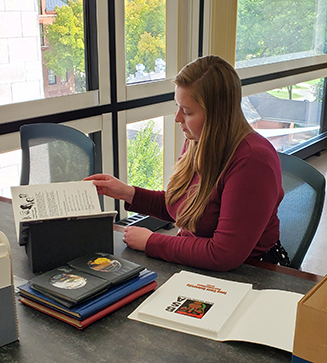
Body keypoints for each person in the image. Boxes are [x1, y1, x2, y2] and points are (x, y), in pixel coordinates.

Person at [85, 55, 284, 271]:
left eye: (187, 111)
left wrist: (151, 242)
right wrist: (127, 193)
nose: (177, 118)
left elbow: (223, 254)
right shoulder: (198, 139)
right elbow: (181, 206)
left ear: (216, 116)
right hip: (199, 260)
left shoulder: (253, 161)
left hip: (250, 271)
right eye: (178, 107)